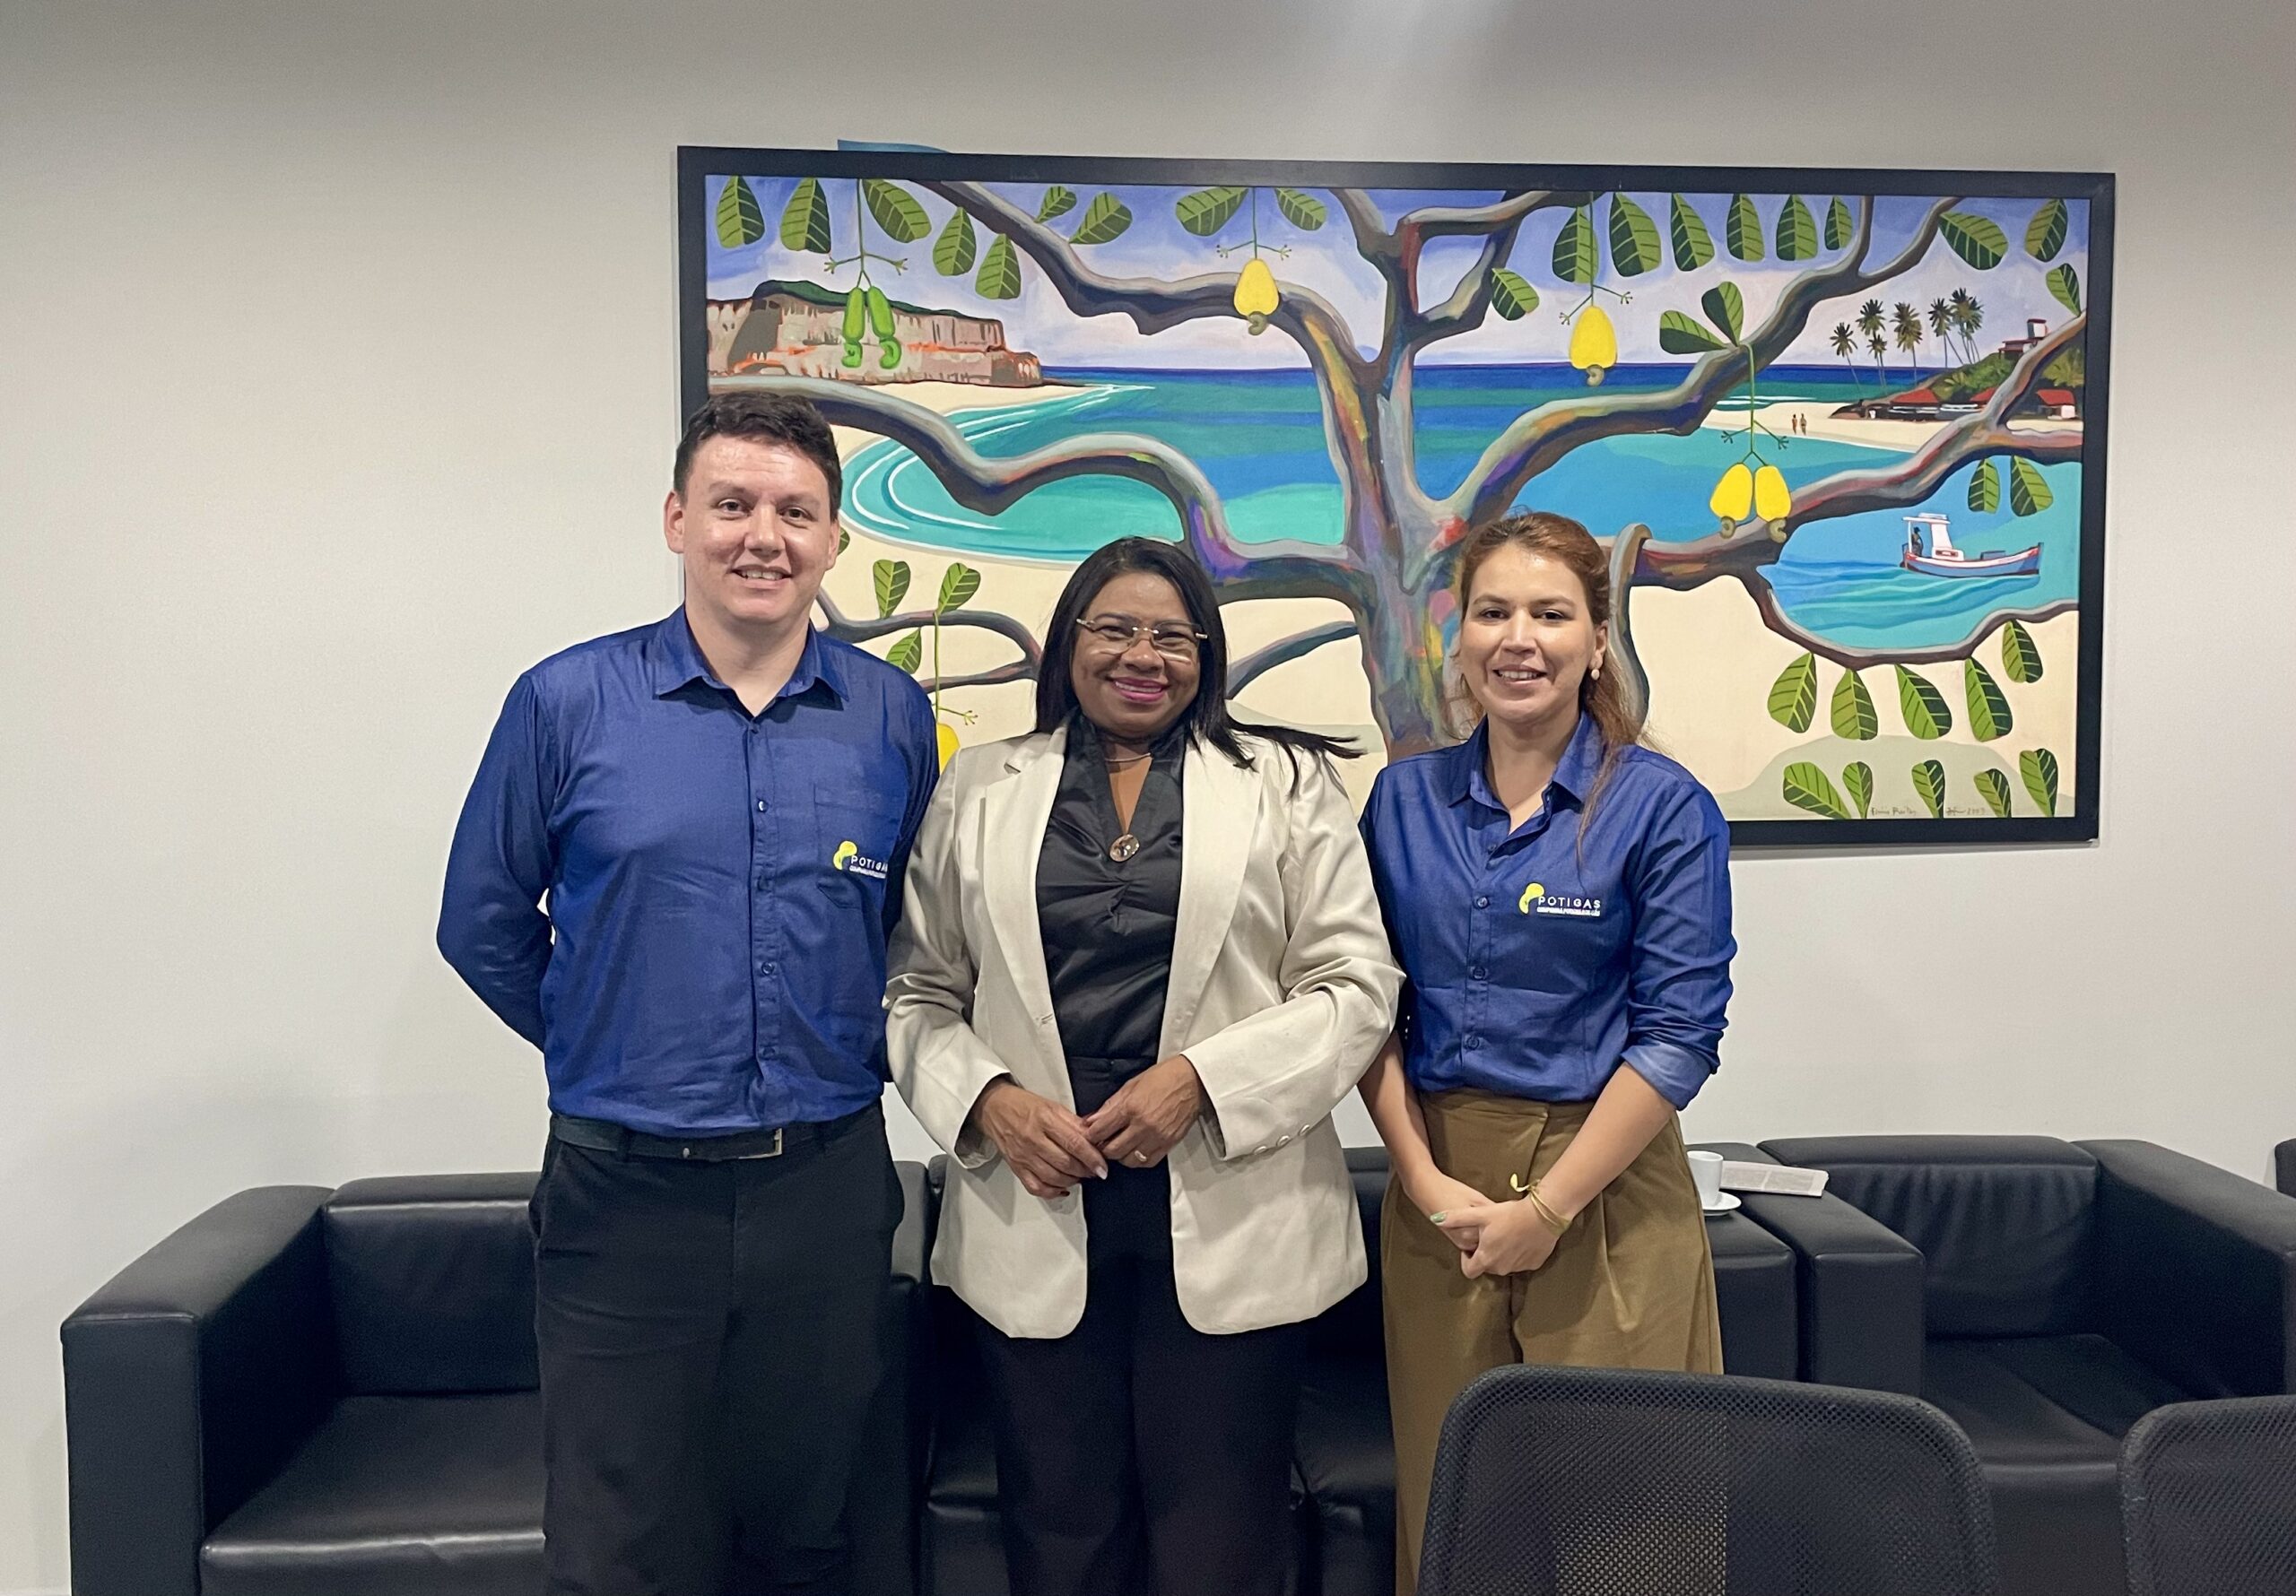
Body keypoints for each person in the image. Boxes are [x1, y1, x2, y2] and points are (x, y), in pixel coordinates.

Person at [438, 391, 939, 1595]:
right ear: (676, 520)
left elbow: (913, 933)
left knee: (810, 1532)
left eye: (796, 512)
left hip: (825, 1189)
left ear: (834, 539)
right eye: (732, 505)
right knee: (619, 1545)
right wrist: (607, 1033)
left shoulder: (891, 716)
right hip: (625, 1200)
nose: (763, 536)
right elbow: (483, 922)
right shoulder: (566, 703)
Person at [885, 536, 1402, 1596]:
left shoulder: (1284, 781)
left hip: (1229, 1201)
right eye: (1115, 628)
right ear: (1069, 642)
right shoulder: (979, 785)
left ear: (1205, 654)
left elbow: (1357, 985)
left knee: (1220, 1545)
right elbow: (916, 990)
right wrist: (988, 1102)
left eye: (1172, 635)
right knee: (1060, 1537)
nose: (1142, 655)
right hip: (1037, 1195)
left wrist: (1202, 1082)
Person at [1357, 510, 1735, 1595]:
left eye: (1550, 614)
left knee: (1632, 1526)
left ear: (1597, 641)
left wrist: (1549, 1209)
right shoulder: (1401, 800)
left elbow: (1679, 1037)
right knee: (1459, 1514)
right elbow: (1363, 1005)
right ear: (1460, 635)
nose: (1518, 638)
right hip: (1440, 1192)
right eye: (1493, 612)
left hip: (1604, 1188)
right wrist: (1420, 1176)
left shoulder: (1661, 807)